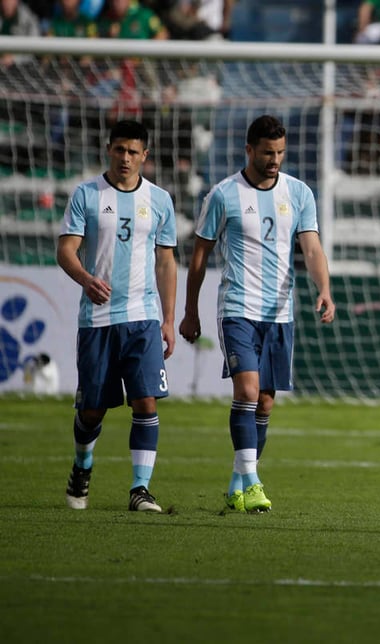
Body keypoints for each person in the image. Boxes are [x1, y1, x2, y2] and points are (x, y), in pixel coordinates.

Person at [179, 115, 336, 514]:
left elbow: (312, 248)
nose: (275, 160)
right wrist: (190, 311)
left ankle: (237, 481)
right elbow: (199, 258)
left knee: (265, 402)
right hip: (238, 308)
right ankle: (252, 483)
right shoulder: (223, 195)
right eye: (268, 152)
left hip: (280, 312)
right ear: (249, 150)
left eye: (281, 152)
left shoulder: (299, 193)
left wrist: (324, 289)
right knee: (247, 392)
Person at [57, 119, 178, 513]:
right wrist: (85, 278)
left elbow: (165, 262)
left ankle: (140, 489)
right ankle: (82, 464)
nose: (125, 158)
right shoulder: (87, 195)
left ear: (145, 155)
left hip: (142, 317)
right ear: (108, 149)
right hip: (97, 320)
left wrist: (168, 318)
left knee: (146, 402)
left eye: (133, 152)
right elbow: (66, 250)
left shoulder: (160, 200)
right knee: (92, 409)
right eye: (119, 150)